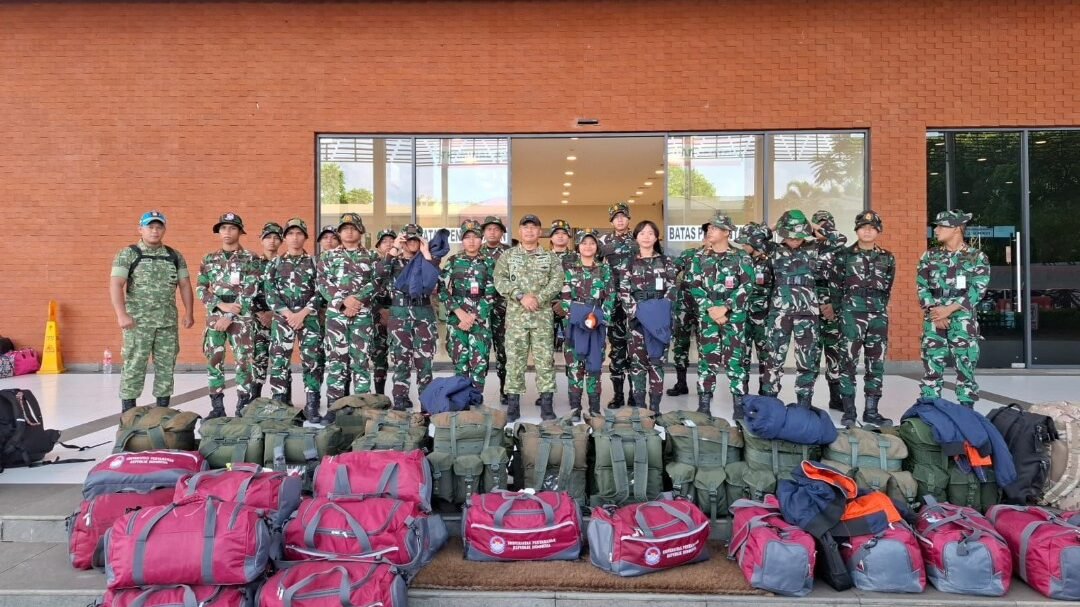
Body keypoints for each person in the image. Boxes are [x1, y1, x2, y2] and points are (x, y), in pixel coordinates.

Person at [109, 211, 195, 413]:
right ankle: (128, 413)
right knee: (134, 365)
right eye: (150, 227)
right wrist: (121, 314)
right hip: (137, 323)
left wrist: (189, 312)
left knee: (166, 367)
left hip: (167, 322)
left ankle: (162, 412)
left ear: (164, 229)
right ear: (140, 229)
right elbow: (116, 284)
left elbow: (184, 284)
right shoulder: (128, 254)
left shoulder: (174, 255)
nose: (154, 231)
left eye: (159, 227)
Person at [759, 209, 845, 408]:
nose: (794, 239)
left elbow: (840, 239)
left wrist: (814, 226)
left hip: (807, 314)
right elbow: (753, 238)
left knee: (807, 361)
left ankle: (804, 404)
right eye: (789, 235)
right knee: (773, 359)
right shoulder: (774, 250)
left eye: (798, 235)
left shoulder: (815, 248)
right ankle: (770, 403)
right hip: (780, 314)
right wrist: (775, 225)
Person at [494, 214, 565, 422]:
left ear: (540, 232)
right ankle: (513, 406)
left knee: (545, 362)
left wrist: (539, 298)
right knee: (514, 361)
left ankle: (546, 405)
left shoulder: (550, 257)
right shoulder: (507, 256)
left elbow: (557, 281)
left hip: (542, 317)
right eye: (526, 227)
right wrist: (520, 296)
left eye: (534, 227)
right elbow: (499, 280)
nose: (530, 231)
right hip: (517, 318)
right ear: (519, 232)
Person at [917, 209, 990, 408]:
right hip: (934, 320)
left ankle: (967, 415)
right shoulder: (930, 256)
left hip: (963, 322)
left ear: (957, 229)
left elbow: (977, 290)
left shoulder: (977, 257)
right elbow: (922, 287)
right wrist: (936, 312)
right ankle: (929, 413)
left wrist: (948, 310)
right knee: (932, 370)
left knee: (965, 369)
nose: (937, 230)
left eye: (942, 226)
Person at [688, 214, 755, 417]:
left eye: (715, 228)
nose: (710, 231)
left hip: (733, 317)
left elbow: (748, 285)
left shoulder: (741, 256)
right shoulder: (699, 257)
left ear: (727, 232)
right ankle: (704, 403)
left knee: (735, 360)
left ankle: (739, 405)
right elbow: (694, 284)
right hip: (708, 316)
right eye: (709, 228)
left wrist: (725, 307)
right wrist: (711, 309)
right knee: (707, 359)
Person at [197, 212, 263, 418]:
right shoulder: (208, 258)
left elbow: (251, 289)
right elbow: (201, 287)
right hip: (216, 316)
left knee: (243, 362)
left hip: (241, 318)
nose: (227, 232)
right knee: (214, 361)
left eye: (232, 228)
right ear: (219, 232)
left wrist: (231, 315)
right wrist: (220, 306)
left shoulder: (251, 258)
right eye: (223, 228)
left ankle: (243, 406)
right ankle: (217, 407)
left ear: (240, 232)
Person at [835, 210, 895, 427]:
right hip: (851, 314)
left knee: (875, 363)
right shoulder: (844, 255)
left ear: (878, 231)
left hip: (878, 315)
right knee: (848, 362)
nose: (867, 230)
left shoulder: (887, 257)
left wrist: (877, 306)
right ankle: (849, 411)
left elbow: (887, 287)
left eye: (872, 228)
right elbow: (836, 287)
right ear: (857, 230)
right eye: (863, 227)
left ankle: (871, 410)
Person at [317, 213, 379, 419]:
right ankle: (334, 409)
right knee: (336, 362)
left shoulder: (372, 256)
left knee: (361, 362)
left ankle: (361, 408)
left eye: (353, 228)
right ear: (339, 233)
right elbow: (323, 283)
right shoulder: (327, 256)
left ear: (360, 231)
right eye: (344, 228)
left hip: (362, 315)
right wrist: (343, 303)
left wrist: (358, 299)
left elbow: (377, 282)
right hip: (337, 317)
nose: (349, 231)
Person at [264, 218, 324, 421]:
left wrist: (303, 313)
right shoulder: (275, 263)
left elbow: (321, 290)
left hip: (309, 318)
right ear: (285, 237)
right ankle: (280, 403)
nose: (295, 237)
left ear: (305, 237)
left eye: (299, 233)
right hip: (283, 319)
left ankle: (312, 404)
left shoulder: (315, 262)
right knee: (280, 362)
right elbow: (269, 292)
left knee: (312, 362)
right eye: (290, 233)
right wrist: (289, 314)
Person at [618, 220, 677, 413]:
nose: (646, 236)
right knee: (637, 363)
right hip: (637, 319)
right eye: (642, 233)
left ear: (656, 237)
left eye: (650, 233)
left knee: (656, 362)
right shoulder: (629, 262)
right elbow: (623, 289)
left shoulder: (666, 262)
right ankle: (640, 407)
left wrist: (660, 310)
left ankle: (655, 407)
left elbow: (672, 288)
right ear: (636, 237)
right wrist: (635, 311)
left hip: (659, 319)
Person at [381, 223, 440, 410]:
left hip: (423, 315)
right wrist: (394, 248)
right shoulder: (393, 262)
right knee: (400, 360)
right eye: (408, 239)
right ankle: (400, 399)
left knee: (424, 362)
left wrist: (427, 253)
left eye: (416, 239)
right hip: (399, 316)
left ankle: (426, 401)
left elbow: (437, 284)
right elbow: (379, 275)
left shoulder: (428, 261)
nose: (412, 243)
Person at [560, 229, 616, 417]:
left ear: (596, 247)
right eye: (584, 243)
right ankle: (575, 408)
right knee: (575, 366)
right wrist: (577, 316)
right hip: (575, 323)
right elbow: (565, 296)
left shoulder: (604, 269)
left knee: (594, 366)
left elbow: (610, 295)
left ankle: (594, 407)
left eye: (592, 243)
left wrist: (598, 317)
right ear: (578, 246)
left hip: (597, 323)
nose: (588, 246)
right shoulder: (569, 269)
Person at [440, 220, 497, 392]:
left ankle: (476, 401)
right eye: (467, 237)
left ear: (481, 240)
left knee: (479, 364)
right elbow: (441, 287)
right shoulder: (453, 261)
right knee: (460, 363)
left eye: (476, 237)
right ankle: (461, 401)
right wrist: (458, 312)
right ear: (462, 240)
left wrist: (472, 316)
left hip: (480, 321)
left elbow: (491, 292)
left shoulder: (489, 262)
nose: (471, 241)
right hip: (457, 320)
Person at [598, 202, 637, 408]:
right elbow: (595, 268)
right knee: (617, 350)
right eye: (615, 217)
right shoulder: (603, 241)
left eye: (623, 216)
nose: (620, 220)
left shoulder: (639, 239)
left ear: (629, 218)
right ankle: (618, 395)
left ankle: (634, 394)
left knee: (636, 350)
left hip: (635, 303)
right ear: (611, 220)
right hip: (613, 304)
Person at [811, 210, 847, 412]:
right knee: (810, 354)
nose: (821, 228)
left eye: (826, 224)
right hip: (810, 306)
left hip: (832, 307)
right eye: (818, 224)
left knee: (834, 353)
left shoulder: (839, 247)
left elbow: (840, 237)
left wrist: (834, 304)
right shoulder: (808, 247)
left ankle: (836, 398)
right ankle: (806, 398)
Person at [668, 223, 709, 397]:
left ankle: (706, 385)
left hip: (706, 309)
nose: (709, 239)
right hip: (684, 306)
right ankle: (681, 383)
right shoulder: (689, 255)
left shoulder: (722, 259)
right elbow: (670, 272)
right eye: (707, 235)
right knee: (680, 345)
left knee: (706, 347)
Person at [733, 222, 774, 395]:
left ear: (756, 243)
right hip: (743, 316)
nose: (742, 246)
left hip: (764, 318)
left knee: (766, 357)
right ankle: (742, 395)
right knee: (742, 356)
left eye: (746, 243)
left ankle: (765, 394)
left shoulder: (771, 261)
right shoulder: (740, 260)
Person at [480, 216, 511, 405]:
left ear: (501, 232)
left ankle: (505, 390)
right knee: (480, 353)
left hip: (503, 309)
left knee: (504, 352)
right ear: (484, 232)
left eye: (496, 229)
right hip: (480, 310)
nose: (492, 232)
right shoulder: (475, 251)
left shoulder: (510, 253)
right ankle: (476, 391)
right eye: (489, 229)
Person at [250, 222, 283, 399]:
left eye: (276, 238)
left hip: (281, 319)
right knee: (258, 358)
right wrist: (260, 314)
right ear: (261, 240)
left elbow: (290, 293)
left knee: (281, 360)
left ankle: (282, 399)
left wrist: (274, 313)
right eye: (268, 237)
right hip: (258, 319)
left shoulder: (285, 264)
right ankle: (255, 399)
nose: (272, 241)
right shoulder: (253, 264)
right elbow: (245, 291)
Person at [371, 228, 397, 395]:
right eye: (384, 242)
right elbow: (365, 290)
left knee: (401, 357)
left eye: (391, 241)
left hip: (398, 314)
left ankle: (400, 394)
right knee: (379, 357)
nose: (388, 244)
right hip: (377, 316)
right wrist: (379, 310)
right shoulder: (373, 264)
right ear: (378, 246)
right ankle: (380, 395)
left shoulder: (401, 263)